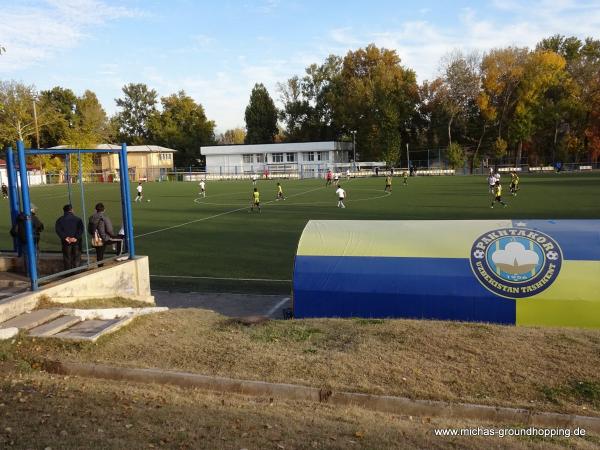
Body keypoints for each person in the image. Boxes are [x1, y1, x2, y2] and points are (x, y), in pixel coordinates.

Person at [10, 204, 44, 275]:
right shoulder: (32, 217)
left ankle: (28, 273)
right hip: (32, 240)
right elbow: (40, 227)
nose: (34, 210)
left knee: (26, 257)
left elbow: (14, 230)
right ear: (31, 209)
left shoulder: (19, 217)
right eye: (33, 209)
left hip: (23, 240)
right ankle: (34, 274)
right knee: (34, 257)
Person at [55, 204, 84, 271]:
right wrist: (75, 238)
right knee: (76, 257)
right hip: (76, 242)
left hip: (66, 242)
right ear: (71, 210)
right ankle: (76, 272)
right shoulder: (78, 219)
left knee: (67, 257)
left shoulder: (60, 220)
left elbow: (58, 230)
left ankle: (68, 273)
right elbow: (81, 229)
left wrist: (66, 238)